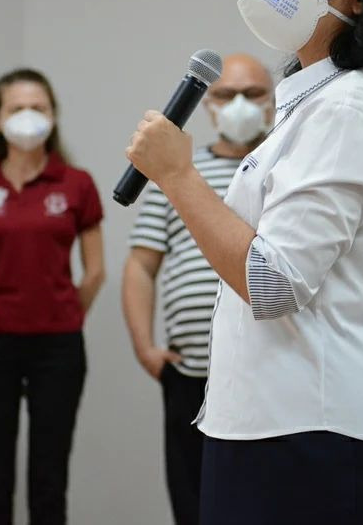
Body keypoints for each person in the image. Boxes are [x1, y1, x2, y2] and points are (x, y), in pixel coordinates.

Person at [124, 0, 363, 524]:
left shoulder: (351, 109)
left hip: (317, 437)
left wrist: (178, 173)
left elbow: (272, 280)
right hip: (268, 425)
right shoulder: (313, 104)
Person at [121, 53, 274, 525]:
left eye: (253, 93)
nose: (240, 105)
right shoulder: (173, 171)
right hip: (190, 375)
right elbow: (142, 265)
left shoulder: (281, 166)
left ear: (273, 101)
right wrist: (146, 347)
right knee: (194, 503)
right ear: (207, 102)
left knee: (266, 502)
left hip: (267, 375)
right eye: (226, 94)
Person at [0, 68, 105, 525]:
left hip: (57, 348)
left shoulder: (75, 183)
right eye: (17, 108)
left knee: (49, 476)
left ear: (54, 116)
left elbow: (95, 271)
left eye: (38, 108)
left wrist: (64, 314)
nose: (28, 117)